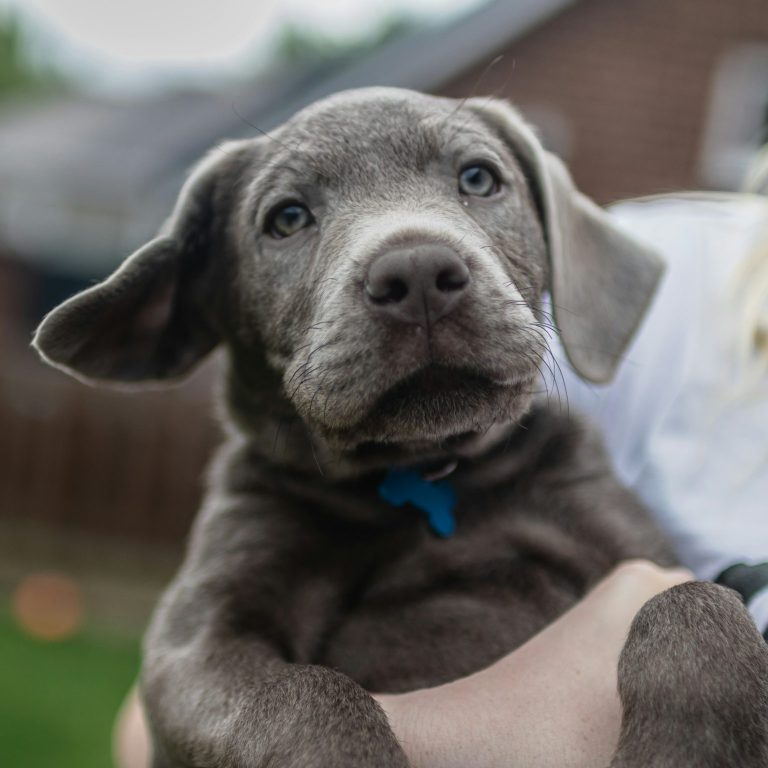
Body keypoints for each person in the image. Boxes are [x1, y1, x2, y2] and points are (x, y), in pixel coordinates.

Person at [115, 159, 768, 768]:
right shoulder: (690, 283)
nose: (417, 261)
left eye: (478, 181)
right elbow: (156, 722)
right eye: (288, 218)